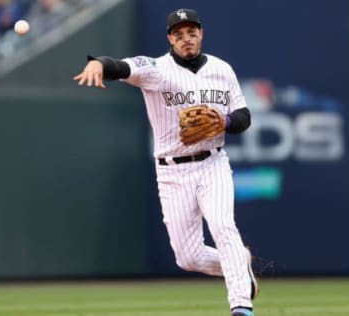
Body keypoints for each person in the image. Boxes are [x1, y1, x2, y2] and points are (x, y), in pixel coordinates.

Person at [73, 8, 258, 316]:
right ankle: (239, 263)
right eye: (179, 34)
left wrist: (224, 120)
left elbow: (244, 117)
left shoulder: (222, 69)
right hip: (172, 171)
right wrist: (98, 63)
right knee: (188, 258)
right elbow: (121, 66)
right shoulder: (156, 69)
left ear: (201, 34)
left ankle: (241, 305)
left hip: (213, 164)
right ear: (170, 38)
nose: (186, 38)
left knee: (224, 226)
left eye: (191, 32)